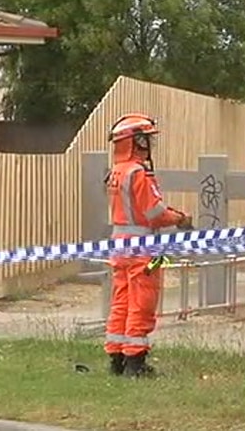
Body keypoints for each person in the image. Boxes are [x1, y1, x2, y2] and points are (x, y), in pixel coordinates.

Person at [103, 112, 193, 378]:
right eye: (146, 140)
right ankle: (136, 363)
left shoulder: (116, 172)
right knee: (142, 302)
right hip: (142, 247)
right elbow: (155, 213)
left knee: (121, 300)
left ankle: (116, 357)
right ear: (137, 141)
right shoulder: (139, 173)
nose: (149, 145)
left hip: (119, 246)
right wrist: (180, 218)